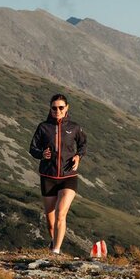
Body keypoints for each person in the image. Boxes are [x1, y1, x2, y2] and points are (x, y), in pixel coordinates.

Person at [28, 94, 87, 254]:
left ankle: (56, 251)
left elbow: (83, 144)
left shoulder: (74, 127)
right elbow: (32, 148)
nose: (57, 110)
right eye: (54, 108)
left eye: (61, 107)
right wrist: (41, 154)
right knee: (50, 222)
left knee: (61, 214)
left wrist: (78, 156)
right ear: (50, 109)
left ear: (67, 108)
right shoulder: (43, 127)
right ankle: (54, 243)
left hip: (68, 177)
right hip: (48, 177)